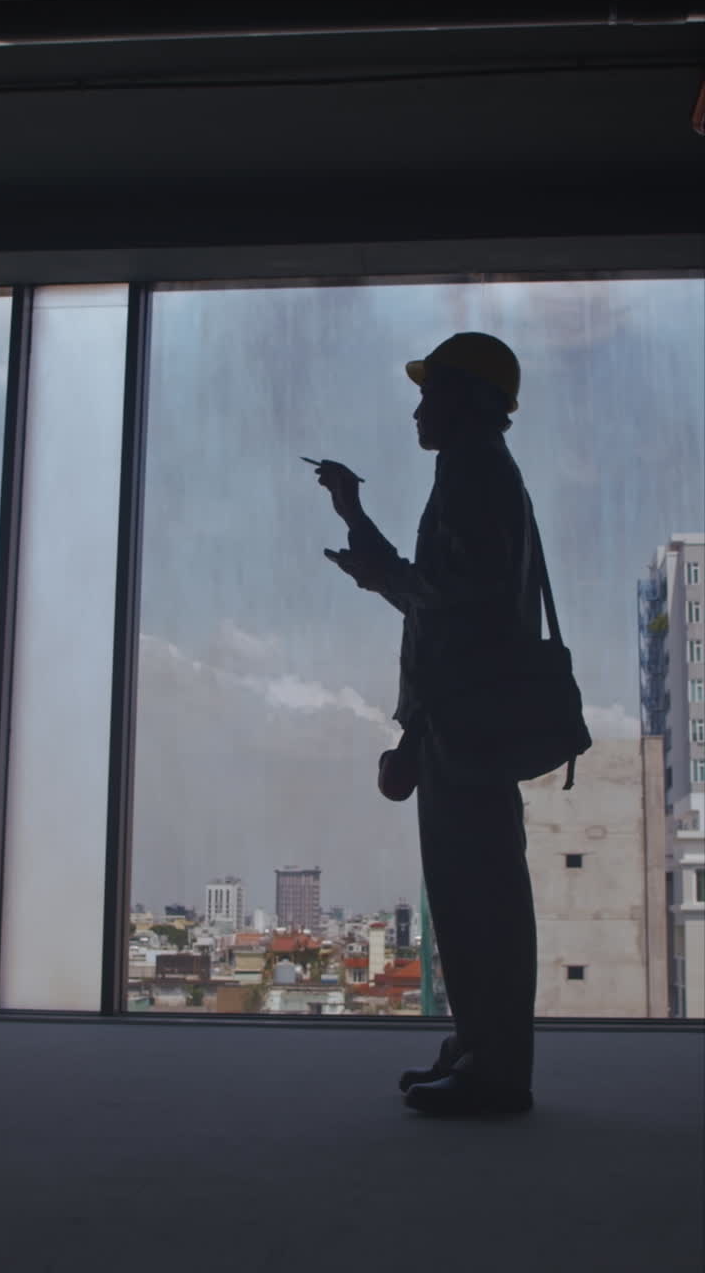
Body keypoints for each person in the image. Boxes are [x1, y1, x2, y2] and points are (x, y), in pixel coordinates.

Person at [313, 332, 540, 1118]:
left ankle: (497, 1065)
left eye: (429, 392)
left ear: (465, 400)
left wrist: (372, 558)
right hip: (460, 716)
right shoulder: (471, 473)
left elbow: (450, 603)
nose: (417, 409)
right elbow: (440, 595)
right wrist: (357, 519)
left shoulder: (476, 475)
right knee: (472, 891)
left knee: (481, 894)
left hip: (466, 719)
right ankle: (480, 1047)